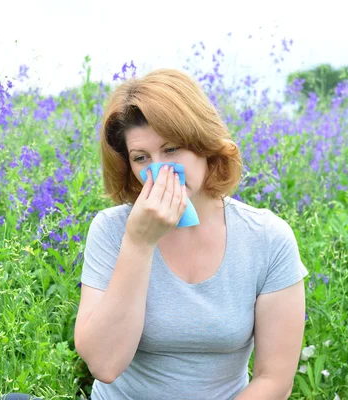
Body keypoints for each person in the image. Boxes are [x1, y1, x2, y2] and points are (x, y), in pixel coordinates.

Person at [74, 68, 309, 400]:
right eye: (142, 158)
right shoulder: (112, 229)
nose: (158, 170)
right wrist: (139, 243)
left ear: (204, 145)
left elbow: (274, 380)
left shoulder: (267, 238)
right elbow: (104, 364)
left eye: (171, 150)